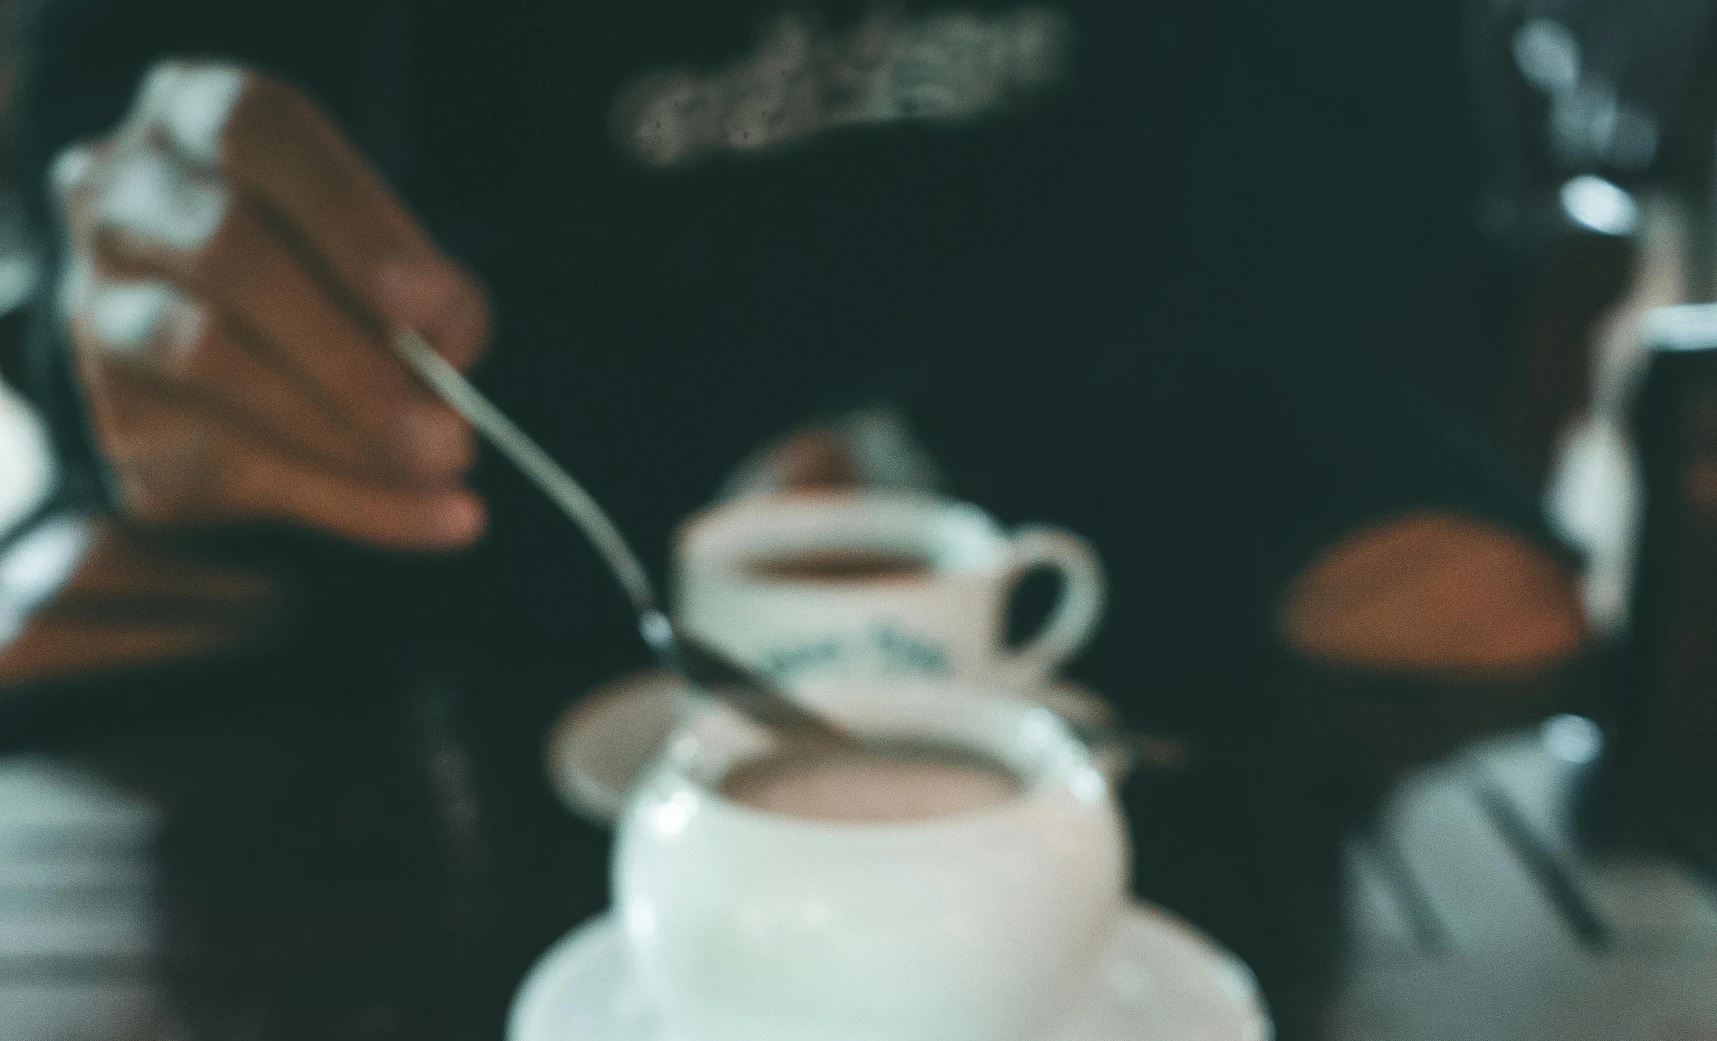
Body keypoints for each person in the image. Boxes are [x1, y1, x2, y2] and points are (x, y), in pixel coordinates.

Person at [0, 2, 1588, 698]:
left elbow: (1373, 262)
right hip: (433, 637)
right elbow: (118, 191)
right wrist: (123, 333)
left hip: (1137, 614)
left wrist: (906, 464)